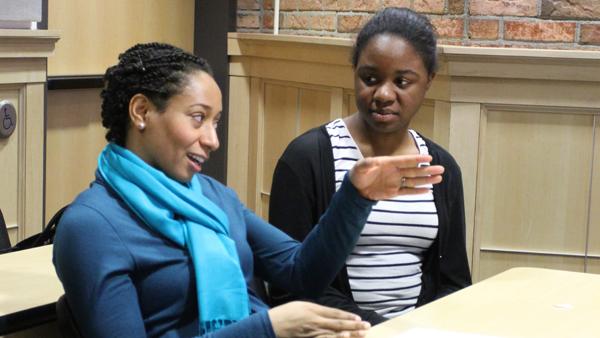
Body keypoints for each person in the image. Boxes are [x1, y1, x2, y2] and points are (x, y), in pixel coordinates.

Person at [52, 42, 445, 338]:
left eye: (216, 122)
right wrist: (267, 328)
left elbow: (300, 272)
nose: (212, 140)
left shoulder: (212, 195)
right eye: (197, 118)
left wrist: (356, 196)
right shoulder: (92, 226)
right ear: (141, 112)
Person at [268, 7, 472, 325]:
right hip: (337, 330)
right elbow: (289, 285)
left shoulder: (441, 167)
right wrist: (381, 328)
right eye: (370, 79)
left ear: (429, 81)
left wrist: (421, 328)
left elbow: (454, 283)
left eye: (402, 81)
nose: (383, 94)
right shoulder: (307, 158)